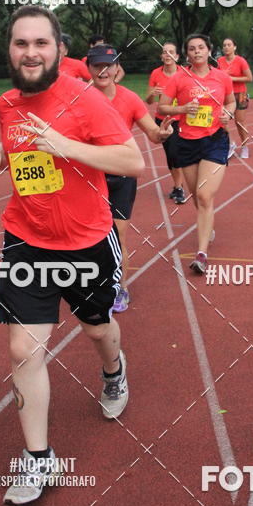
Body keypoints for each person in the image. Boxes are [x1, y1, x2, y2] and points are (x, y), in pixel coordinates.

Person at [0, 5, 144, 506]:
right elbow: (26, 150)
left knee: (97, 330)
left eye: (40, 43)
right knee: (24, 350)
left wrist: (67, 145)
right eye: (21, 43)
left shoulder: (86, 100)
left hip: (87, 241)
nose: (30, 52)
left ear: (57, 49)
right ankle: (38, 458)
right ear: (10, 50)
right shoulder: (7, 104)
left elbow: (131, 161)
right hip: (25, 239)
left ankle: (114, 370)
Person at [87, 44, 173, 311]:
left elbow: (152, 133)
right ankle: (89, 282)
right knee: (90, 236)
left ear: (116, 68)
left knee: (118, 235)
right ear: (88, 68)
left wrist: (162, 134)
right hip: (90, 176)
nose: (103, 71)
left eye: (108, 66)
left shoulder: (130, 99)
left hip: (121, 176)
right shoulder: (79, 98)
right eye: (97, 66)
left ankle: (120, 288)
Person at [158, 33, 235, 275]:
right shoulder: (180, 78)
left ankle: (201, 254)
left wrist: (228, 114)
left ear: (209, 50)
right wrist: (182, 108)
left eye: (201, 47)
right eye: (192, 49)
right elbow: (161, 106)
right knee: (196, 197)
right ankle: (207, 222)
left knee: (203, 195)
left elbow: (232, 102)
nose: (197, 52)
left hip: (215, 141)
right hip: (187, 142)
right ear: (187, 54)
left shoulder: (222, 77)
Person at [146, 41, 187, 204]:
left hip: (180, 120)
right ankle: (178, 186)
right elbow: (148, 101)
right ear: (161, 56)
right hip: (163, 121)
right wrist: (153, 93)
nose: (167, 55)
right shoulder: (156, 74)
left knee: (176, 153)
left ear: (176, 56)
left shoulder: (184, 73)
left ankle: (179, 187)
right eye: (164, 52)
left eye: (171, 52)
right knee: (171, 155)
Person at [217, 37, 253, 159]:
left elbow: (249, 78)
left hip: (240, 94)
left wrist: (232, 79)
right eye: (224, 45)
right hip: (225, 95)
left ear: (234, 47)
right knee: (222, 121)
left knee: (239, 122)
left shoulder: (241, 61)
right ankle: (231, 143)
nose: (226, 47)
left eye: (229, 45)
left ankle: (245, 147)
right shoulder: (220, 61)